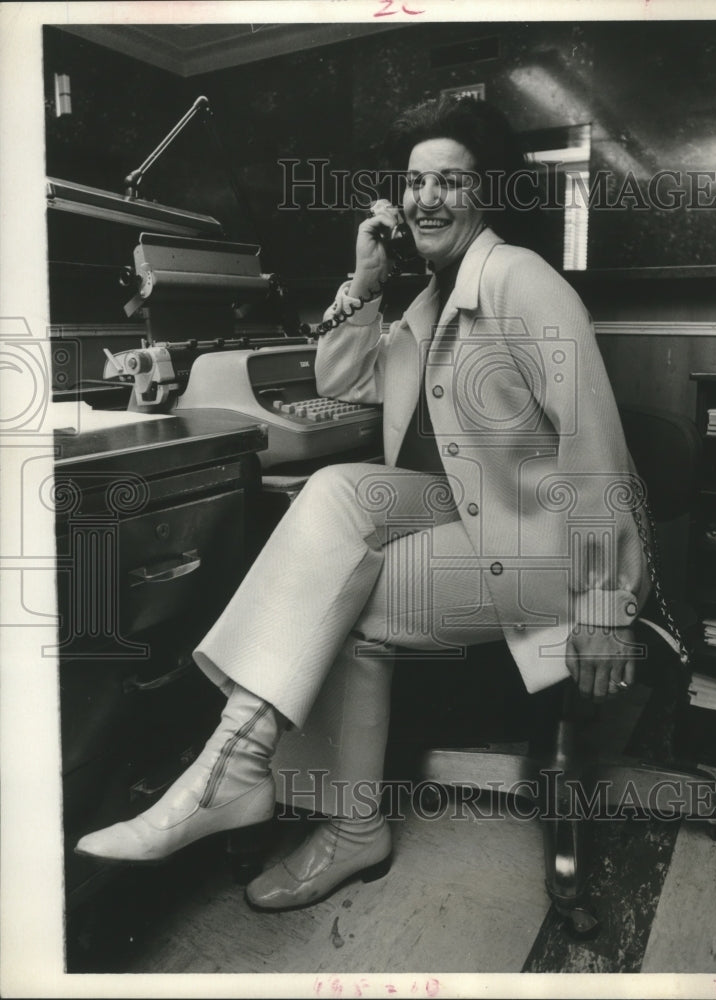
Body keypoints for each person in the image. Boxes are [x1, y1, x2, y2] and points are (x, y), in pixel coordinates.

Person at [76, 97, 651, 912]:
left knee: (344, 602)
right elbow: (342, 381)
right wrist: (365, 281)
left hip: (554, 548)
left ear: (482, 192)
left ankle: (320, 816)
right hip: (484, 519)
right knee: (336, 491)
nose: (425, 198)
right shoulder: (427, 299)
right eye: (415, 182)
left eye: (448, 181)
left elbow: (596, 450)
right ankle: (240, 768)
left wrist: (603, 606)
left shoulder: (519, 280)